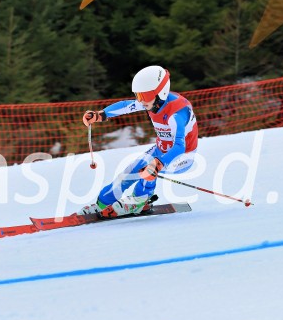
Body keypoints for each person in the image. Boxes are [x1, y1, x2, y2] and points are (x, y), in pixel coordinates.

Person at [80, 65, 198, 218]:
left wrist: (157, 164)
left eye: (144, 96)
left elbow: (179, 146)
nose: (140, 101)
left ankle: (141, 200)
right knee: (129, 172)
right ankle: (103, 203)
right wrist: (101, 115)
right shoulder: (152, 101)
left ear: (160, 93)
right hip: (161, 149)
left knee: (147, 171)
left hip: (182, 156)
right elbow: (126, 106)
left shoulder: (176, 113)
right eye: (138, 95)